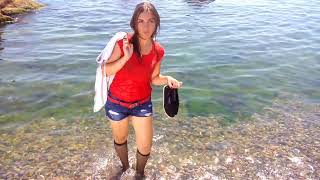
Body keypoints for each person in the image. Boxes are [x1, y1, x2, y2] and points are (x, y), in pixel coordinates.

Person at [103, 1, 182, 177]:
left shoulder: (158, 50)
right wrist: (125, 58)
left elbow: (153, 78)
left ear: (157, 23)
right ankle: (124, 168)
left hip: (142, 103)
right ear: (134, 23)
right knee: (120, 139)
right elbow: (105, 70)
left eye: (151, 21)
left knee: (145, 146)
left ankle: (139, 174)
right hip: (117, 102)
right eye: (141, 21)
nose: (146, 26)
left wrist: (168, 79)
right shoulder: (123, 44)